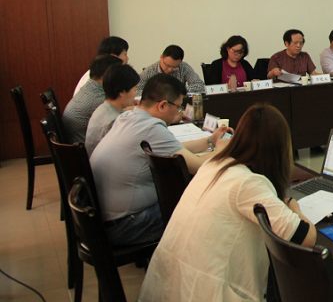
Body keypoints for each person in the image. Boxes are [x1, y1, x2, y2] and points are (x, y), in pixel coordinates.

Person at [131, 104, 317, 302]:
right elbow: (305, 237)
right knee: (280, 274)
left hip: (170, 298)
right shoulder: (249, 182)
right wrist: (294, 208)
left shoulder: (215, 164)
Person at [90, 74, 230, 247]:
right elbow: (200, 166)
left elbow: (174, 148)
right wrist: (223, 148)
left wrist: (209, 140)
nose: (178, 112)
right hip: (126, 225)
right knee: (205, 207)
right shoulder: (151, 128)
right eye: (178, 107)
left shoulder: (129, 117)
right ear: (163, 105)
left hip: (105, 220)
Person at [63, 55, 124, 143]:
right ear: (108, 75)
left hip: (78, 143)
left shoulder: (88, 89)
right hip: (84, 148)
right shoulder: (98, 98)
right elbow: (123, 119)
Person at [85, 63, 140, 155]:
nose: (136, 94)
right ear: (121, 92)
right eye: (135, 90)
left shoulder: (102, 108)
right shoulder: (113, 122)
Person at [136, 45, 206, 95]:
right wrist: (157, 93)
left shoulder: (184, 67)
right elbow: (137, 90)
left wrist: (177, 90)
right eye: (167, 66)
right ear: (161, 58)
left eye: (174, 67)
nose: (169, 70)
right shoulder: (149, 71)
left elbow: (199, 85)